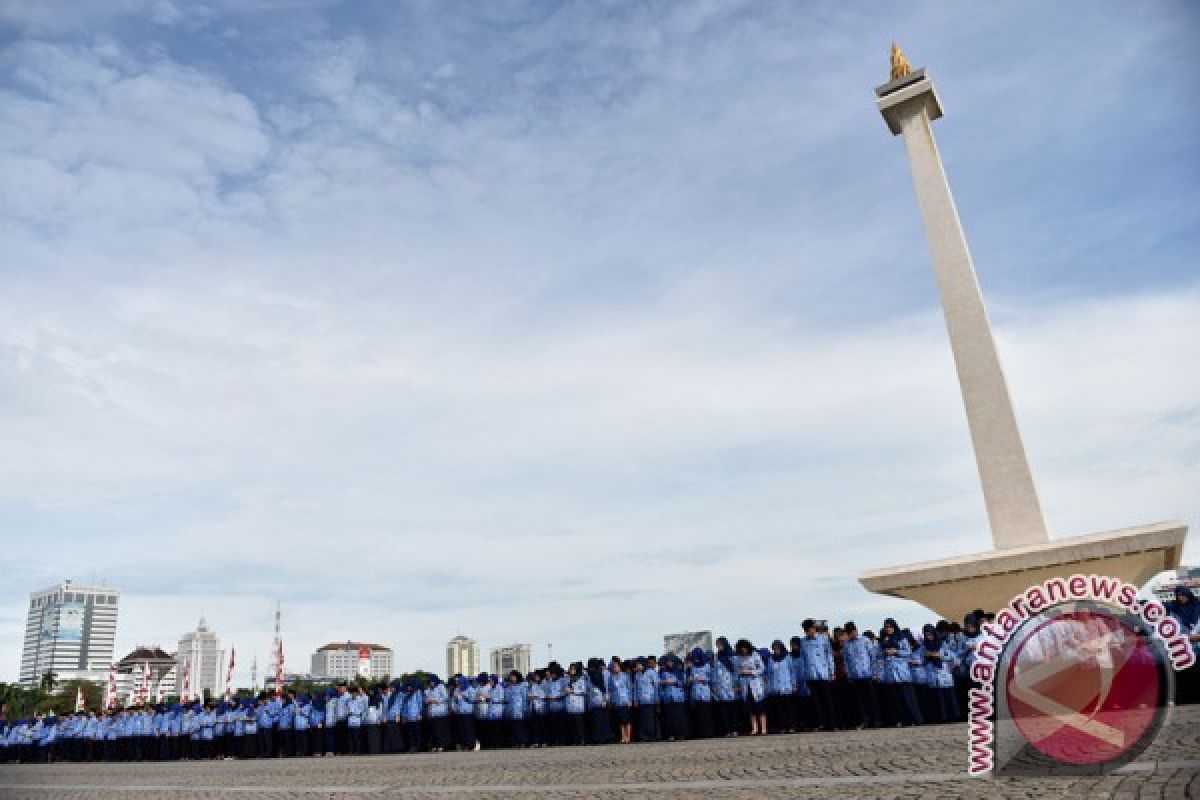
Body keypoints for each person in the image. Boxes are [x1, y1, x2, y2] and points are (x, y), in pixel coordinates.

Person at [879, 619, 922, 727]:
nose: (888, 629)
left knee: (907, 697)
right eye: (886, 627)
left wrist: (896, 651)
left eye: (890, 626)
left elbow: (908, 652)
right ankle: (902, 720)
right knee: (896, 699)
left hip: (901, 671)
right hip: (890, 671)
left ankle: (915, 719)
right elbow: (879, 654)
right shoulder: (884, 639)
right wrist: (885, 652)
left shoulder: (901, 638)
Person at [799, 620, 836, 731]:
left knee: (827, 699)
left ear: (814, 629)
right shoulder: (803, 642)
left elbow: (829, 655)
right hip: (811, 675)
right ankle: (822, 723)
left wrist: (832, 671)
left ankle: (832, 723)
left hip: (823, 673)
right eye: (806, 630)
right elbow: (803, 659)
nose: (809, 632)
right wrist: (805, 675)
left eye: (810, 629)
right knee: (817, 702)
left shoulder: (823, 639)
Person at [841, 622, 879, 729]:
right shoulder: (846, 645)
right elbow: (846, 661)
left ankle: (876, 720)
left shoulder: (865, 640)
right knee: (860, 701)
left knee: (872, 699)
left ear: (856, 630)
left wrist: (875, 672)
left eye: (854, 631)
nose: (853, 634)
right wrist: (849, 674)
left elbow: (873, 657)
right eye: (850, 632)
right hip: (855, 676)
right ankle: (865, 721)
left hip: (867, 674)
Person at [1167, 586, 1200, 705]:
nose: (1181, 598)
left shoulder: (1197, 605)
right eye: (1178, 595)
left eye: (1183, 595)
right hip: (1182, 647)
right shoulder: (1173, 607)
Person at [921, 624, 958, 723]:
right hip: (931, 671)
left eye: (930, 634)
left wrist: (939, 655)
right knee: (935, 696)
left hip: (943, 671)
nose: (929, 637)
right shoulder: (924, 645)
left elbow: (951, 656)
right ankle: (938, 718)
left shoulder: (943, 643)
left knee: (946, 695)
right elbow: (921, 658)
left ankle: (951, 717)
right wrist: (926, 656)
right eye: (926, 635)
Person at [734, 639, 766, 736]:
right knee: (750, 709)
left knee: (760, 708)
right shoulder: (738, 658)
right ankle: (754, 728)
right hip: (745, 685)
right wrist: (740, 676)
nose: (743, 651)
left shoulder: (755, 655)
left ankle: (763, 728)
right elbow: (736, 672)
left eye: (744, 649)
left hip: (755, 684)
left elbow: (762, 668)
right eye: (741, 649)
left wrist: (751, 672)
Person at [765, 640, 795, 734]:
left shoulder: (787, 657)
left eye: (777, 649)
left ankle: (791, 726)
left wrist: (793, 684)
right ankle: (782, 727)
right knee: (779, 709)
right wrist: (769, 686)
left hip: (786, 685)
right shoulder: (771, 659)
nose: (776, 651)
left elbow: (792, 671)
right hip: (776, 686)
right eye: (774, 649)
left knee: (789, 708)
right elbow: (769, 673)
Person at [658, 654, 688, 741]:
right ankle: (671, 734)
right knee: (670, 717)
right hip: (668, 697)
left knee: (679, 717)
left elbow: (684, 683)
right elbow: (659, 683)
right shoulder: (663, 672)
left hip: (678, 697)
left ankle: (681, 734)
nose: (669, 663)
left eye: (671, 661)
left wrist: (675, 682)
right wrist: (664, 682)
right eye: (668, 662)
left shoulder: (680, 671)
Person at [712, 638, 739, 737]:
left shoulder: (732, 656)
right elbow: (714, 671)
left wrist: (736, 684)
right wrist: (714, 685)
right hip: (720, 686)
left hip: (730, 685)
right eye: (717, 645)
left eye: (720, 645)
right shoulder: (716, 657)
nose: (718, 647)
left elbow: (736, 672)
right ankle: (727, 730)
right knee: (724, 710)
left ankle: (734, 729)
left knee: (732, 709)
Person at [686, 649, 713, 740]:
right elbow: (688, 680)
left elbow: (711, 678)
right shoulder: (691, 667)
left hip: (705, 693)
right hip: (695, 692)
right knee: (697, 714)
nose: (696, 659)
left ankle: (708, 732)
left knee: (706, 714)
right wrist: (690, 679)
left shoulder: (707, 665)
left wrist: (703, 679)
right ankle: (699, 733)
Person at [632, 658, 659, 742]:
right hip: (641, 700)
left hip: (650, 699)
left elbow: (656, 686)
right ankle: (644, 736)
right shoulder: (637, 674)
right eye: (637, 665)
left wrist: (657, 698)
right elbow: (635, 688)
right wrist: (635, 700)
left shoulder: (651, 672)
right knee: (643, 719)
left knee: (650, 719)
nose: (638, 667)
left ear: (643, 664)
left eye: (639, 665)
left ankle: (652, 736)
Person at [607, 659, 633, 744]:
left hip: (625, 700)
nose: (615, 669)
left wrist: (630, 700)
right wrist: (610, 700)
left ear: (619, 667)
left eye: (617, 667)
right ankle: (623, 737)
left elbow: (629, 689)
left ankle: (628, 737)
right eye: (613, 667)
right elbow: (610, 690)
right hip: (616, 701)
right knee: (620, 721)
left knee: (627, 720)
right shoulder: (611, 678)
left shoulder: (625, 676)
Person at [425, 675, 451, 752]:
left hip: (440, 712)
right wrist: (427, 701)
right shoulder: (429, 689)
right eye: (429, 682)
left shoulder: (440, 686)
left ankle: (442, 745)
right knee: (434, 731)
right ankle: (435, 745)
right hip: (432, 713)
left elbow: (445, 697)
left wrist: (436, 701)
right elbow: (427, 698)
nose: (430, 683)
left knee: (441, 731)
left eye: (431, 681)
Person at [564, 662, 588, 745]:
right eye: (571, 669)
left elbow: (584, 691)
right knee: (572, 724)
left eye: (573, 669)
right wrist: (566, 691)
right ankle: (574, 740)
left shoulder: (581, 679)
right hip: (569, 704)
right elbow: (564, 690)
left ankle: (581, 739)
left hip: (578, 704)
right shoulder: (567, 680)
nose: (572, 670)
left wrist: (573, 691)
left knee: (579, 724)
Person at [452, 676, 478, 751]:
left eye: (460, 683)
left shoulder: (470, 689)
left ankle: (470, 745)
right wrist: (455, 707)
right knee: (461, 730)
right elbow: (454, 700)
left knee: (469, 730)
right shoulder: (457, 689)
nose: (459, 684)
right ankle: (463, 745)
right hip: (460, 713)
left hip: (468, 713)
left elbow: (472, 699)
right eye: (458, 683)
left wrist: (465, 696)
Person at [504, 671, 529, 748]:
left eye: (513, 677)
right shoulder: (508, 688)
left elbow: (525, 699)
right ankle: (514, 742)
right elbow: (506, 700)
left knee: (520, 727)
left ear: (517, 677)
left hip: (519, 710)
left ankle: (522, 742)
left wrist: (525, 709)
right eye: (511, 677)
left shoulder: (522, 687)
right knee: (512, 728)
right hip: (511, 711)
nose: (512, 678)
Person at [402, 680, 424, 753]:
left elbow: (420, 703)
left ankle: (418, 747)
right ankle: (412, 747)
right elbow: (404, 706)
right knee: (410, 734)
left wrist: (420, 713)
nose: (408, 688)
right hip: (408, 717)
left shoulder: (417, 693)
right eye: (408, 686)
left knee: (417, 733)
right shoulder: (406, 695)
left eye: (410, 686)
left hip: (416, 716)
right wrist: (404, 716)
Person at [346, 686, 366, 755]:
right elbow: (347, 709)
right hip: (350, 721)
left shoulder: (360, 700)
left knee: (357, 738)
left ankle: (357, 751)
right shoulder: (348, 700)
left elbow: (361, 710)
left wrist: (353, 712)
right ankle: (351, 751)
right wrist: (349, 712)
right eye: (352, 693)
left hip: (357, 720)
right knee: (350, 738)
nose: (353, 694)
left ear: (357, 693)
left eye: (354, 693)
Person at [364, 689, 383, 756]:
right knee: (370, 738)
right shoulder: (369, 699)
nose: (370, 692)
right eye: (370, 691)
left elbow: (380, 711)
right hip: (369, 721)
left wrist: (379, 719)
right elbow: (367, 711)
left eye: (372, 691)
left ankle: (376, 751)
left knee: (376, 737)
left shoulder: (378, 700)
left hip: (375, 722)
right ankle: (371, 751)